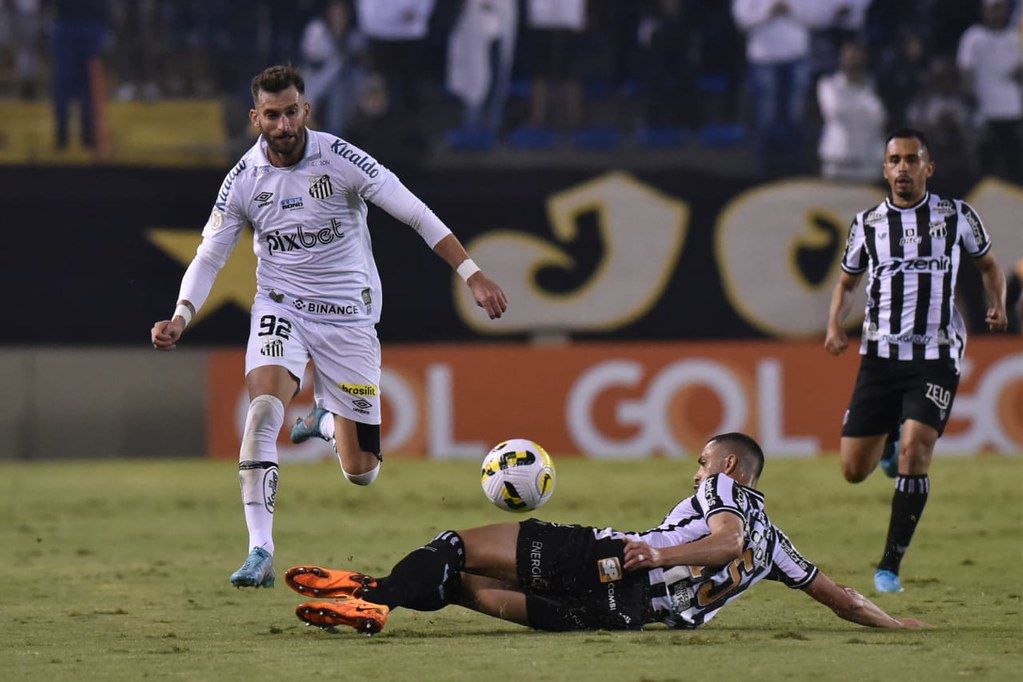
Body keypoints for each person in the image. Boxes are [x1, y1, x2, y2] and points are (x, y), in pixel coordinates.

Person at [150, 65, 508, 589]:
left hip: (349, 316)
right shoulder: (244, 181)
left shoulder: (341, 160)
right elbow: (209, 256)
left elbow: (415, 212)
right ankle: (260, 550)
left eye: (291, 111)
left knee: (361, 471)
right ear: (256, 119)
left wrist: (472, 274)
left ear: (306, 110)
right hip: (280, 306)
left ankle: (323, 423)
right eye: (272, 114)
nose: (284, 123)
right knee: (263, 413)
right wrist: (182, 314)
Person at [282, 433, 928, 634]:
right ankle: (370, 590)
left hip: (606, 559)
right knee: (461, 588)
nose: (697, 470)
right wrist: (903, 630)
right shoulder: (781, 549)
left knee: (452, 548)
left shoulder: (724, 492)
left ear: (729, 466)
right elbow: (840, 597)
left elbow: (726, 540)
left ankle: (376, 597)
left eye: (703, 460)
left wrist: (662, 549)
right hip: (616, 616)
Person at [825, 128, 1007, 594]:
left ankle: (889, 565)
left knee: (917, 449)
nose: (903, 168)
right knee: (852, 470)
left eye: (912, 159)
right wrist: (834, 325)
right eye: (895, 160)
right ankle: (883, 445)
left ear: (929, 168)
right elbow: (847, 282)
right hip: (880, 357)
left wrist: (998, 303)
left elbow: (988, 265)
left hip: (936, 356)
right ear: (885, 169)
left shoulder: (957, 216)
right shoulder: (867, 224)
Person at [956, 0, 1023, 183]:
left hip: (1012, 111)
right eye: (992, 9)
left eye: (1000, 9)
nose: (996, 13)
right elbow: (965, 71)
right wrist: (971, 103)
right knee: (987, 167)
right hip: (985, 112)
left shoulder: (1014, 37)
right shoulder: (973, 37)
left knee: (1014, 166)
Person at [817, 40, 885, 182]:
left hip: (868, 164)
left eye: (857, 59)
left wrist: (859, 94)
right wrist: (862, 110)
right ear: (841, 60)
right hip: (837, 163)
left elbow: (878, 119)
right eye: (849, 58)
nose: (852, 63)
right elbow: (836, 112)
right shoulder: (828, 84)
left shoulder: (873, 86)